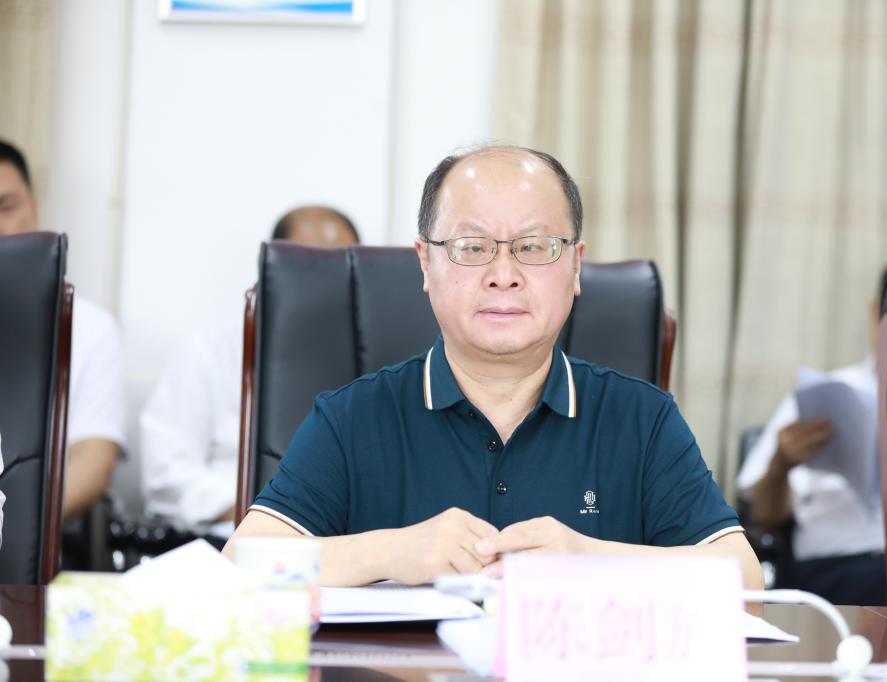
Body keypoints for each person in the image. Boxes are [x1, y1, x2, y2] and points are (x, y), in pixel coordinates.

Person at [224, 145, 762, 591]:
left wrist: (591, 559)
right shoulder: (351, 419)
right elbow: (237, 571)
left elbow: (744, 583)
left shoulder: (642, 419)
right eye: (472, 246)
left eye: (533, 246)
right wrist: (390, 552)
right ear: (425, 263)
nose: (503, 273)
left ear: (575, 265)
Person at [736, 253, 887, 605]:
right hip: (837, 568)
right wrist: (781, 465)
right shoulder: (825, 394)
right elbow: (763, 516)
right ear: (876, 315)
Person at [139, 206, 359, 538]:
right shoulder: (209, 351)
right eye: (311, 268)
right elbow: (166, 477)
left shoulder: (376, 361)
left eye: (339, 270)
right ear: (272, 273)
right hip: (229, 540)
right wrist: (277, 514)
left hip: (349, 545)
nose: (324, 286)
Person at [0, 139, 125, 527]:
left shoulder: (89, 328)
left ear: (34, 209)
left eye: (6, 207)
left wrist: (19, 529)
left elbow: (94, 460)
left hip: (40, 537)